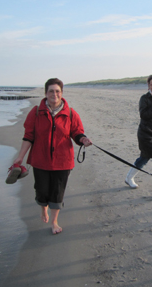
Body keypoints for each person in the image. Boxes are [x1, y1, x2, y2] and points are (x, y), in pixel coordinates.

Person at [12, 78, 92, 235]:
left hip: (63, 162)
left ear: (61, 93)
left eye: (57, 91)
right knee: (42, 190)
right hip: (40, 160)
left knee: (57, 192)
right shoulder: (36, 112)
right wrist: (20, 157)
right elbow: (28, 136)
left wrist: (83, 139)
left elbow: (76, 132)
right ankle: (44, 209)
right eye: (51, 91)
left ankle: (54, 221)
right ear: (45, 93)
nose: (54, 94)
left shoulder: (70, 113)